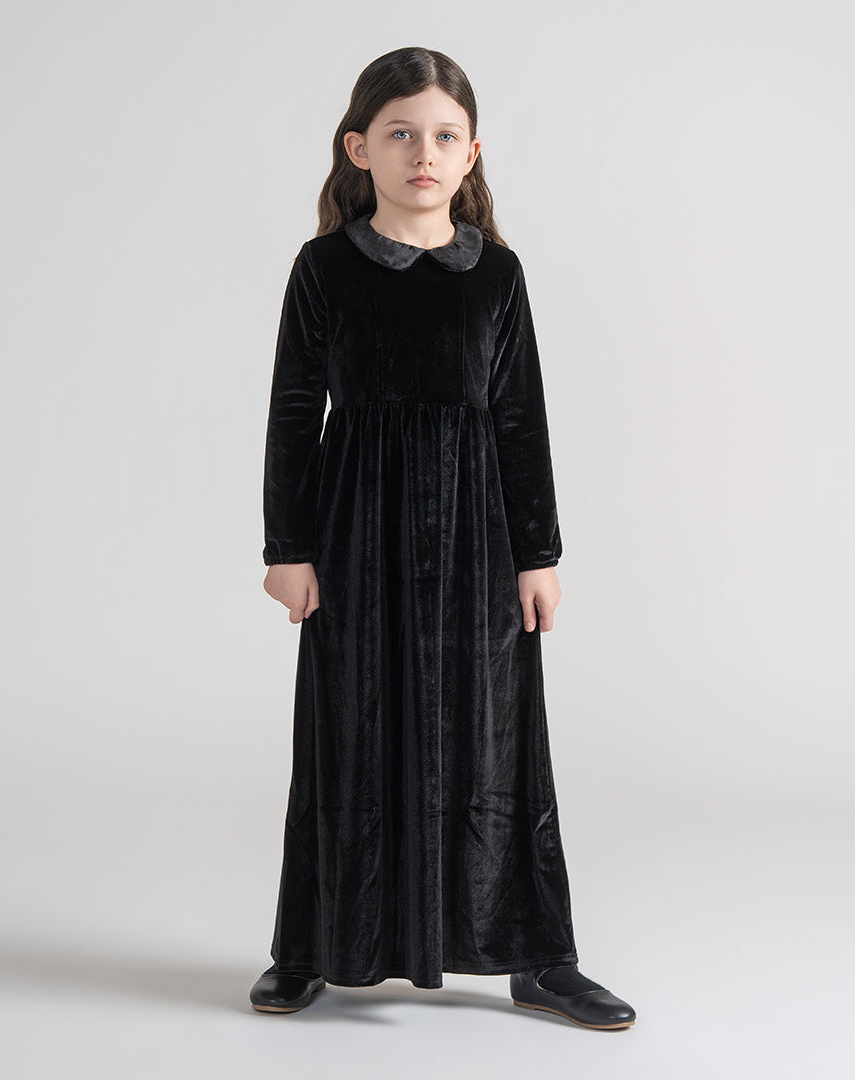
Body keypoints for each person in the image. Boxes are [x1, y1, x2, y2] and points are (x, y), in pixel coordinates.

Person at [250, 46, 636, 1031]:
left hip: (480, 543)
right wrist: (287, 547)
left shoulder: (496, 275)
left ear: (472, 154)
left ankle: (539, 957)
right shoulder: (324, 268)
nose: (423, 153)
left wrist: (538, 556)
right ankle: (310, 947)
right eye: (401, 133)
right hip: (356, 538)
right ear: (359, 149)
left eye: (444, 136)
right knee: (347, 731)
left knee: (500, 739)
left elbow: (521, 419)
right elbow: (293, 412)